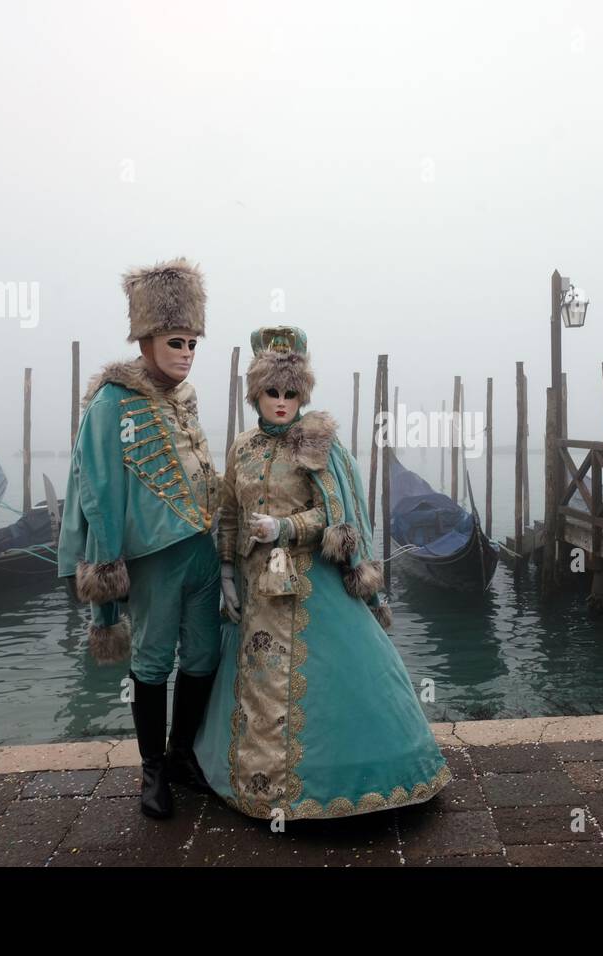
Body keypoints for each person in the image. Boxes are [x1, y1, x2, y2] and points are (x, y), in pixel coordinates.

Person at [194, 325, 451, 820]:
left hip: (311, 584)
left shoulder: (316, 442)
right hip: (256, 593)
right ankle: (255, 787)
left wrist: (286, 528)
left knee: (342, 682)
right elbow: (227, 512)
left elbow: (338, 515)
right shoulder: (242, 448)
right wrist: (226, 568)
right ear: (256, 393)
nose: (283, 401)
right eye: (272, 392)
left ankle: (344, 784)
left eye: (292, 393)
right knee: (254, 683)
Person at [56, 257, 221, 820]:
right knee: (152, 663)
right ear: (147, 339)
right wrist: (106, 564)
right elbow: (98, 490)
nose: (187, 353)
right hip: (152, 560)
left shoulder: (185, 398)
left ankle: (180, 757)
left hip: (202, 550)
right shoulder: (110, 403)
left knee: (204, 654)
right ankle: (152, 772)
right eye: (178, 341)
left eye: (194, 343)